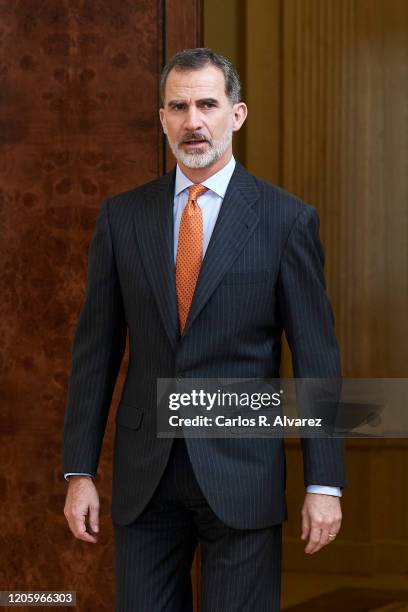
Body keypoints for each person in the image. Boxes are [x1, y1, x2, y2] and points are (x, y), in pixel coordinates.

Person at [62, 47, 345, 611]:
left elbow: (316, 360)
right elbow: (95, 353)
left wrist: (324, 483)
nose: (193, 121)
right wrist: (79, 470)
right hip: (146, 479)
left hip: (243, 475)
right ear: (162, 117)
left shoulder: (287, 221)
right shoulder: (122, 218)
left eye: (207, 104)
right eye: (179, 106)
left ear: (236, 114)